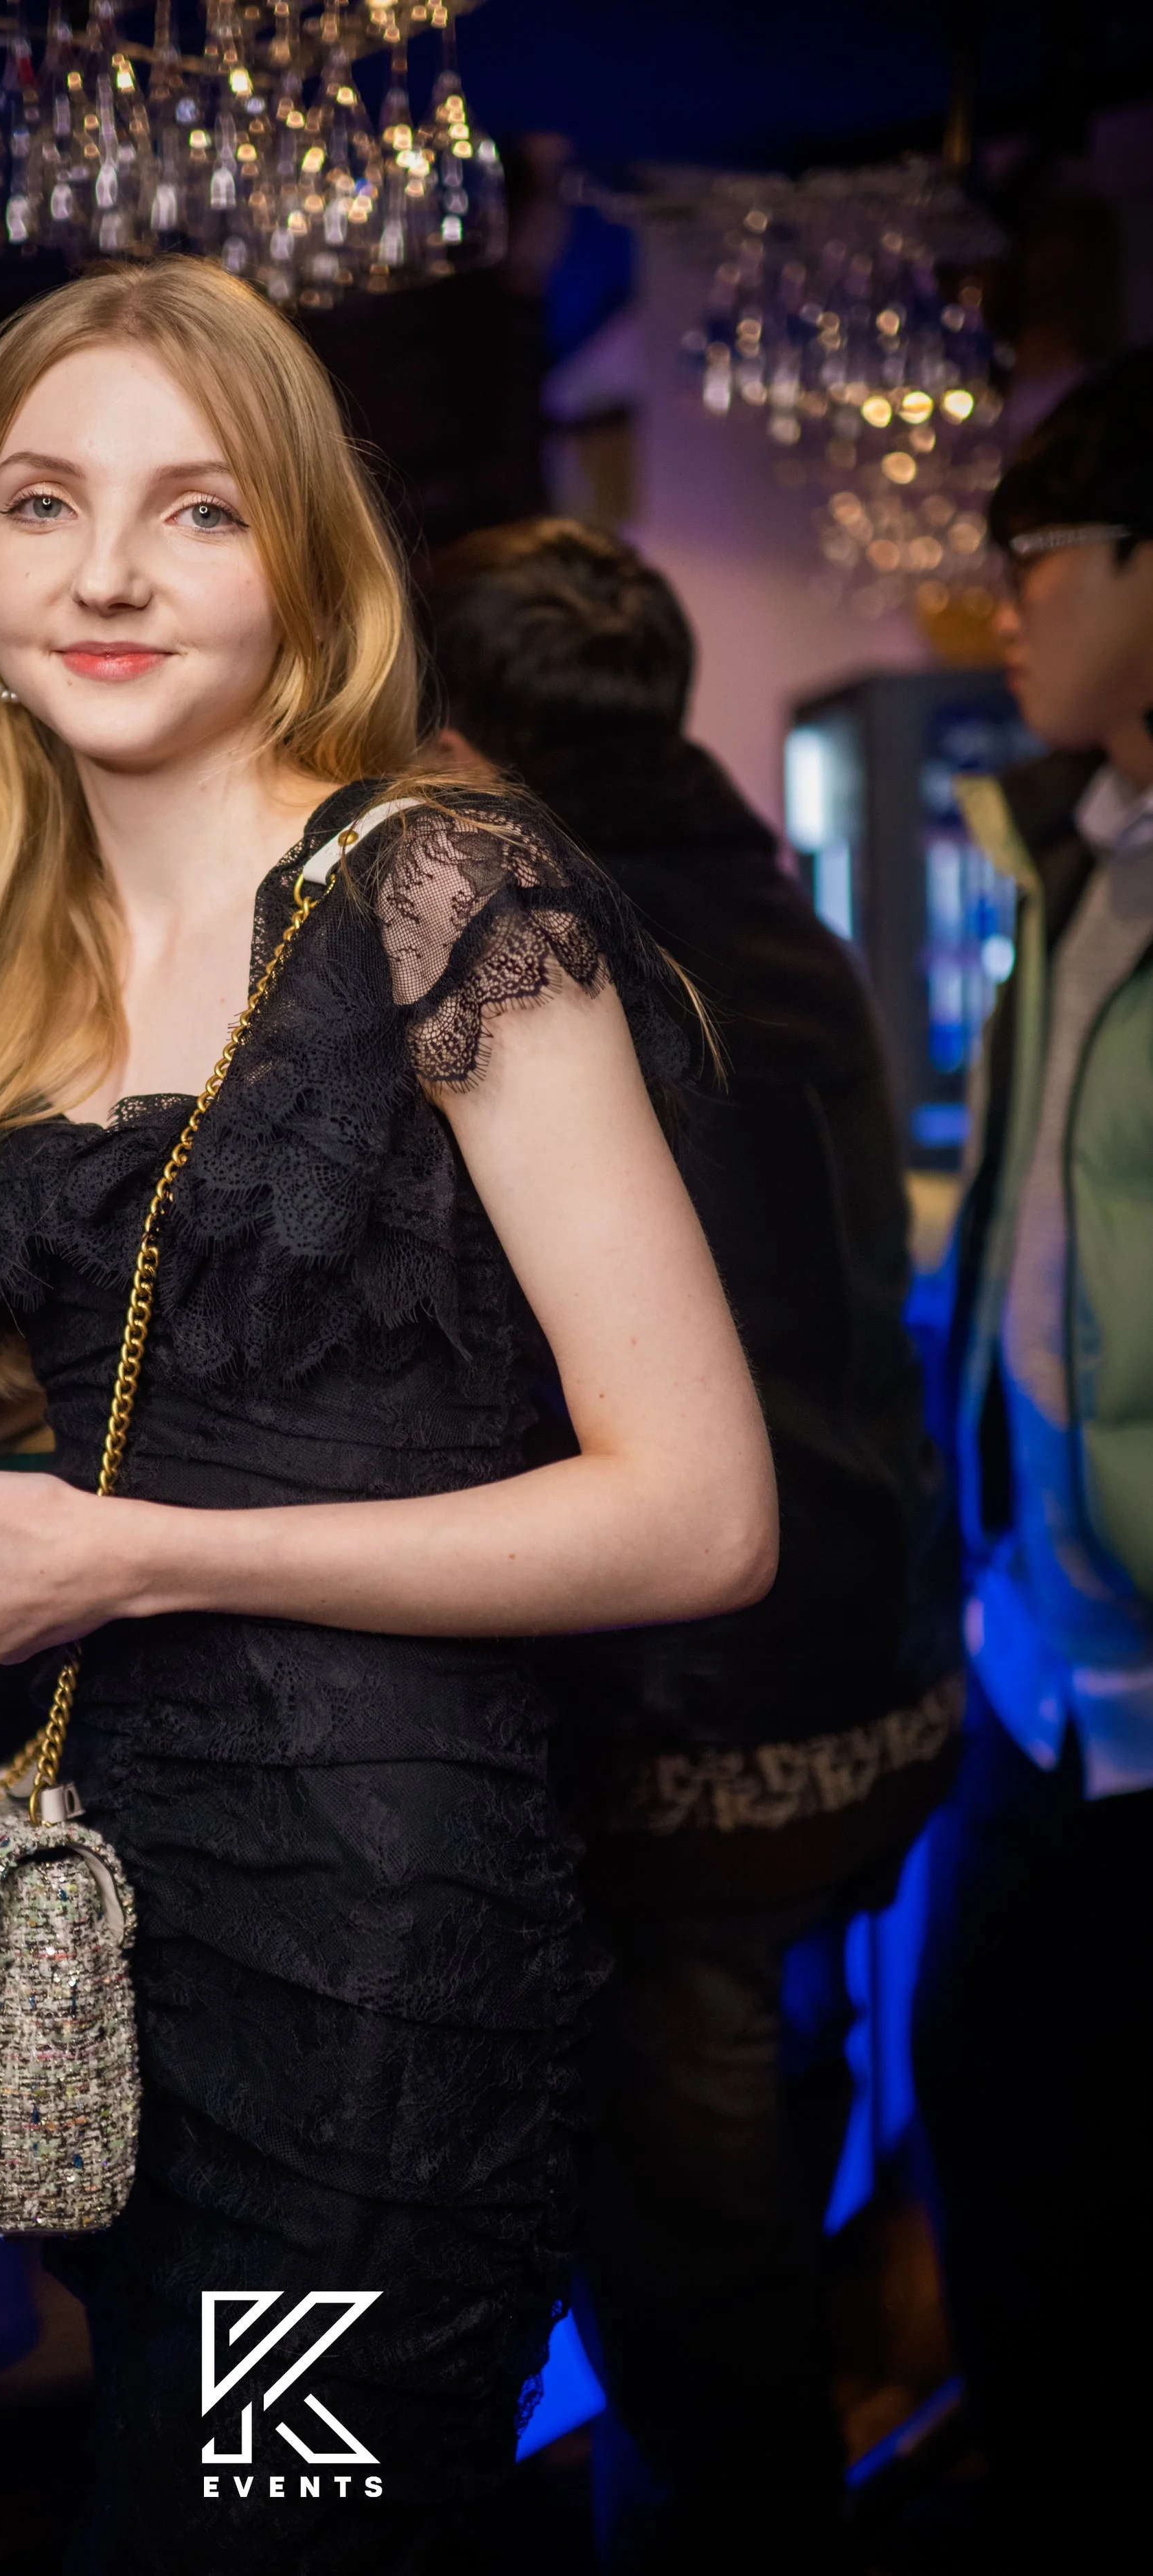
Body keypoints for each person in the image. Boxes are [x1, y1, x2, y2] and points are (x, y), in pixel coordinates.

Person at [0, 262, 775, 2575]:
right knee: (198, 2509)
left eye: (194, 509)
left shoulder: (438, 891)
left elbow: (699, 1511)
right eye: (43, 504)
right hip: (123, 1953)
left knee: (273, 2538)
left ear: (302, 565)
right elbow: (177, 1319)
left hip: (367, 1974)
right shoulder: (34, 949)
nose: (105, 570)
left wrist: (127, 1554)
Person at [426, 520, 958, 2576]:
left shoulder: (552, 948)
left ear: (463, 735)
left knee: (698, 2304)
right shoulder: (768, 905)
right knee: (755, 2209)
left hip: (691, 1717)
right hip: (854, 1666)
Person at [913, 347, 1153, 2571]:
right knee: (998, 2136)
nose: (1003, 610)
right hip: (1035, 1661)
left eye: (1039, 561)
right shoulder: (1074, 865)